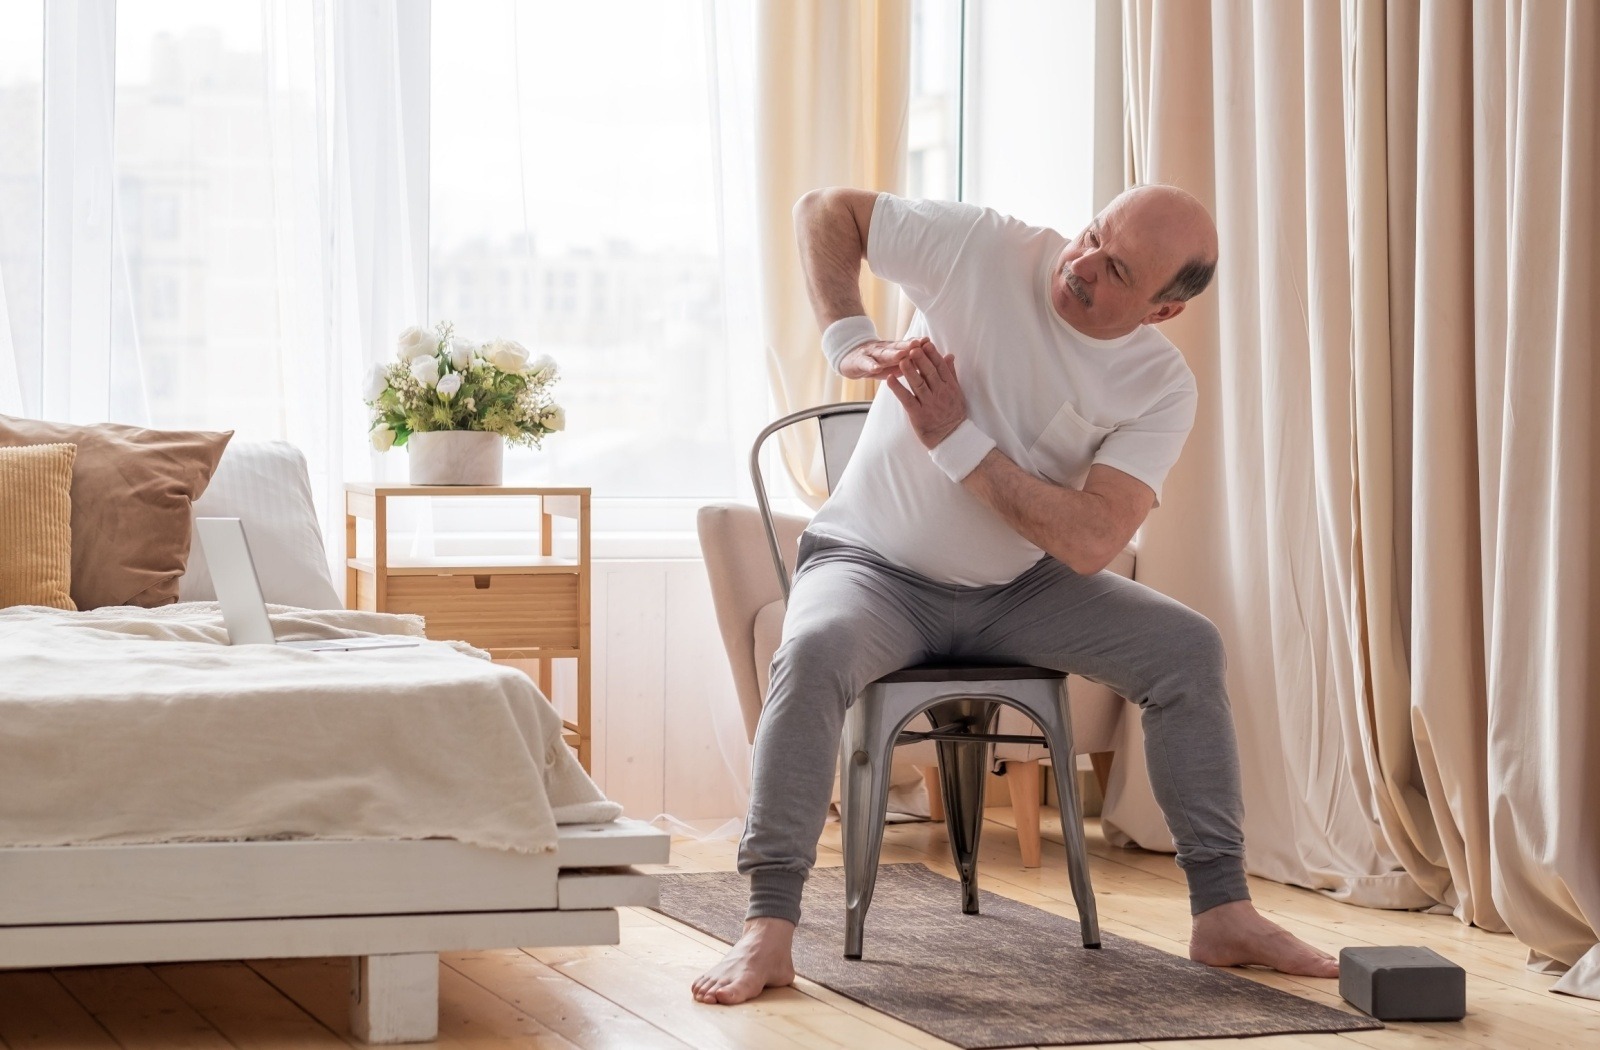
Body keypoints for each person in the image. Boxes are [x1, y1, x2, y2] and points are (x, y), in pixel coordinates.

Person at [692, 184, 1341, 1006]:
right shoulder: (985, 250)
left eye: (1117, 271)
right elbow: (825, 209)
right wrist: (849, 335)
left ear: (1162, 311)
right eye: (1092, 236)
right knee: (812, 648)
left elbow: (1090, 541)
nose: (1082, 267)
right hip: (872, 568)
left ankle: (1224, 911)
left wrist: (956, 440)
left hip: (1017, 590)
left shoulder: (1159, 387)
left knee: (1188, 648)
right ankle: (768, 926)